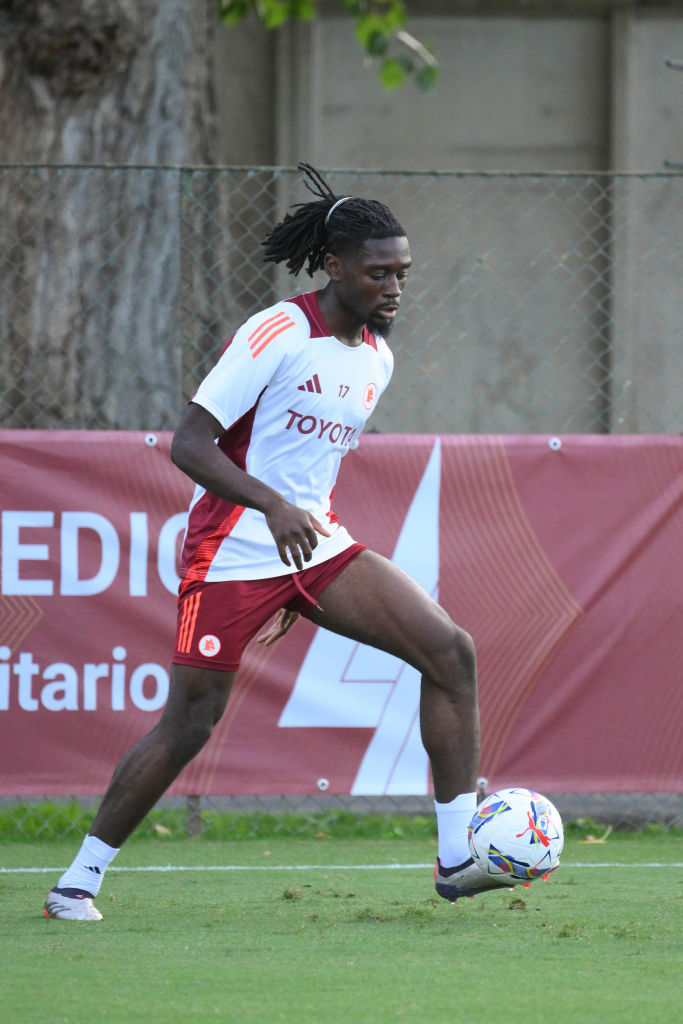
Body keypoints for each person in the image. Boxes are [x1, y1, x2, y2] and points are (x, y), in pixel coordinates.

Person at [44, 163, 512, 921]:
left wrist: (302, 564)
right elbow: (189, 445)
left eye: (402, 273)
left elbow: (307, 468)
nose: (394, 287)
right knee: (190, 721)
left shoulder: (375, 358)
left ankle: (458, 854)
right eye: (377, 272)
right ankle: (78, 882)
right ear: (333, 266)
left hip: (313, 549)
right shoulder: (276, 332)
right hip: (231, 549)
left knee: (448, 649)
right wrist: (271, 508)